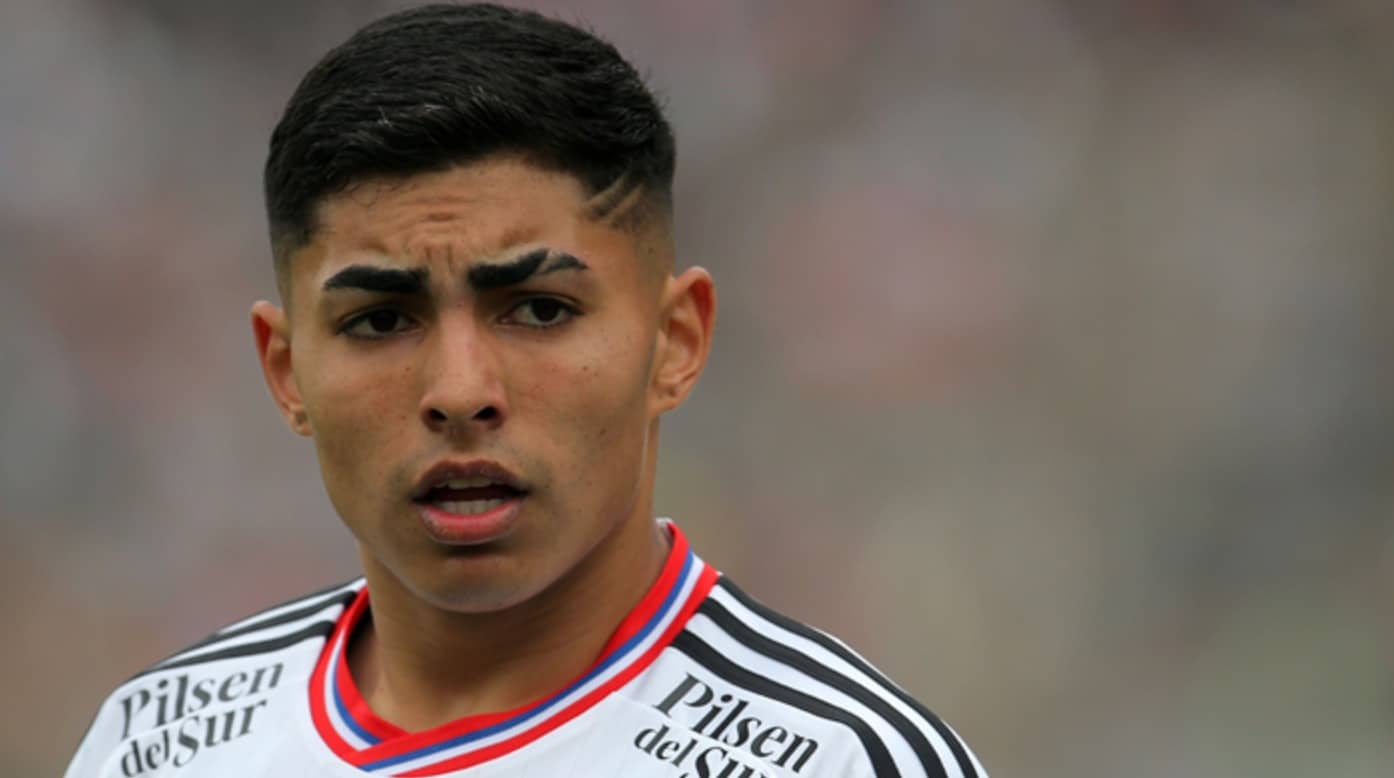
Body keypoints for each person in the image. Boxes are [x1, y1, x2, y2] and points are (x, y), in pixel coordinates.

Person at [65, 4, 986, 776]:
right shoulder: (151, 745)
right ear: (285, 369)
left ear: (675, 342)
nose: (460, 391)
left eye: (540, 310)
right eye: (380, 321)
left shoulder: (840, 760)